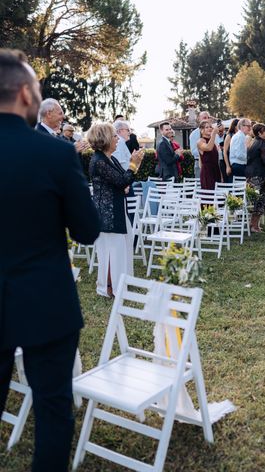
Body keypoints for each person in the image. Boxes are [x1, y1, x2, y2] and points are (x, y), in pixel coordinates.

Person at [0, 48, 101, 471]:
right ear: (25, 94)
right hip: (47, 300)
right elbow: (88, 230)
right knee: (54, 409)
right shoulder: (56, 155)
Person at [88, 122, 144, 297]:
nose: (117, 139)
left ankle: (122, 282)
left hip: (117, 209)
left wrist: (136, 163)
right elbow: (121, 181)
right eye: (114, 136)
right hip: (107, 214)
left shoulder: (109, 158)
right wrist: (132, 166)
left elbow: (123, 179)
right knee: (111, 250)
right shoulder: (98, 161)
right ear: (105, 139)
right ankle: (109, 287)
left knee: (123, 247)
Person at [245, 122, 265, 232]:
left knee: (254, 200)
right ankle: (254, 226)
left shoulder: (253, 141)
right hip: (258, 175)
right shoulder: (263, 143)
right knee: (259, 200)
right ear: (260, 132)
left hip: (249, 175)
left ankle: (253, 224)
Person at [197, 119, 222, 190]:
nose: (210, 129)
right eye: (207, 127)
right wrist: (213, 134)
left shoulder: (213, 142)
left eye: (210, 127)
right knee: (209, 195)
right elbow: (208, 148)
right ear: (202, 130)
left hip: (216, 170)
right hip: (207, 172)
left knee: (217, 195)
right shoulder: (200, 141)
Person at [189, 110, 210, 178]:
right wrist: (207, 150)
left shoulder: (212, 133)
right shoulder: (194, 134)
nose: (207, 119)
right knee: (200, 185)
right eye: (204, 117)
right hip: (199, 163)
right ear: (199, 119)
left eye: (208, 117)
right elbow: (193, 151)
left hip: (212, 163)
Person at [222, 118, 239, 183]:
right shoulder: (229, 136)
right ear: (235, 126)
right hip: (230, 162)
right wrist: (227, 166)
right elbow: (225, 152)